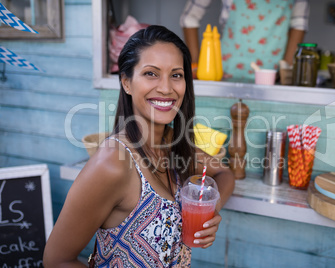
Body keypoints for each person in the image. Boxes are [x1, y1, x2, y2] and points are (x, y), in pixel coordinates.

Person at [43, 25, 235, 267]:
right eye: (151, 73)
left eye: (176, 75)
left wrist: (211, 210)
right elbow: (56, 261)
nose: (166, 88)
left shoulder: (172, 143)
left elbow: (224, 173)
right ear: (126, 82)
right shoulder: (113, 163)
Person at [180, 0, 310, 83]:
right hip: (224, 76)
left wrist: (286, 69)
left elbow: (299, 23)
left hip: (273, 79)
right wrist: (196, 64)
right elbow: (189, 17)